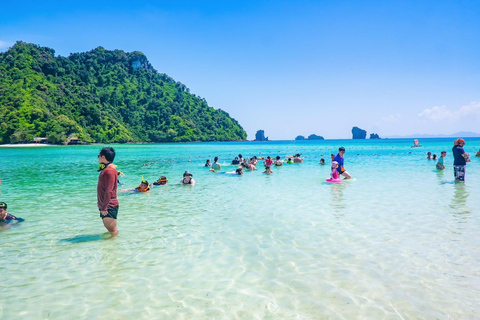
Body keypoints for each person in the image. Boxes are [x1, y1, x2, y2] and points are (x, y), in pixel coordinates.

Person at [97, 147, 119, 235]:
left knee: (112, 230)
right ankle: (110, 246)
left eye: (98, 156)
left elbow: (109, 190)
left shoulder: (109, 171)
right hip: (105, 204)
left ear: (103, 157)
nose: (98, 158)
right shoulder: (108, 170)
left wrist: (104, 207)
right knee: (110, 230)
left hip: (109, 205)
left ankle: (112, 247)